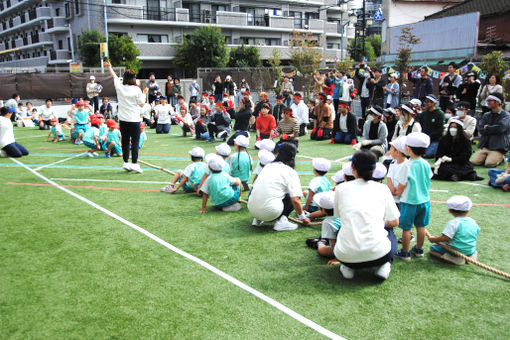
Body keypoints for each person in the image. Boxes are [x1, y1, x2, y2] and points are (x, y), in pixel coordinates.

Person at [332, 150, 400, 280]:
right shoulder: (382, 189)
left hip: (345, 256)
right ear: (374, 168)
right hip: (379, 254)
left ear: (353, 168)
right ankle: (385, 266)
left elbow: (339, 216)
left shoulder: (341, 188)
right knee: (390, 232)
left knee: (345, 226)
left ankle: (348, 267)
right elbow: (395, 222)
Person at [248, 142, 310, 231]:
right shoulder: (290, 172)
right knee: (291, 195)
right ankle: (282, 221)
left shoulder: (267, 166)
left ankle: (258, 219)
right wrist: (303, 218)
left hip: (252, 210)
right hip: (270, 212)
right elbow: (295, 200)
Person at [394, 132, 432, 261]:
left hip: (409, 201)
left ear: (408, 149)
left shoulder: (407, 165)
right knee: (421, 226)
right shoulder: (426, 164)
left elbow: (401, 185)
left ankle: (405, 252)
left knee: (406, 228)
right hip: (424, 200)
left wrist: (398, 195)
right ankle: (418, 249)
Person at [105, 61, 147, 174]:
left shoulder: (119, 87)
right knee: (135, 141)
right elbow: (142, 104)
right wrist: (144, 93)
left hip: (123, 120)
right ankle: (134, 164)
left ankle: (126, 162)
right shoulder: (136, 90)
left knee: (125, 141)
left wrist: (110, 67)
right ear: (133, 79)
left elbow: (114, 77)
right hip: (134, 119)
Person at [427, 195, 480, 265]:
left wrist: (434, 239)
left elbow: (446, 238)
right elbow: (476, 232)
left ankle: (453, 258)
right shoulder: (472, 221)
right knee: (472, 249)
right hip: (469, 250)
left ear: (450, 210)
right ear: (468, 211)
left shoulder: (453, 223)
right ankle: (470, 257)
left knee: (433, 249)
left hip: (455, 251)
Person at [471, 93, 510, 167]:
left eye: (489, 101)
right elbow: (481, 129)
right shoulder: (486, 115)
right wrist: (493, 128)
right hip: (486, 145)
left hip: (498, 146)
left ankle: (501, 158)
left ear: (497, 102)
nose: (487, 102)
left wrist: (488, 127)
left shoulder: (506, 115)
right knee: (474, 162)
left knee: (489, 164)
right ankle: (487, 157)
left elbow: (501, 128)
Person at [305, 191, 342, 265]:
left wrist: (337, 259)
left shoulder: (328, 222)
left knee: (323, 251)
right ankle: (324, 239)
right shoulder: (346, 212)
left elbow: (333, 244)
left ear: (322, 209)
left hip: (343, 246)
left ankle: (320, 242)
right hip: (354, 243)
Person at [386, 137, 408, 210]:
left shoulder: (406, 165)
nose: (390, 151)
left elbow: (404, 182)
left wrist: (398, 192)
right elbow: (389, 177)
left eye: (391, 149)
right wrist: (391, 187)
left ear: (397, 152)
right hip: (392, 198)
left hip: (402, 199)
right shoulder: (393, 163)